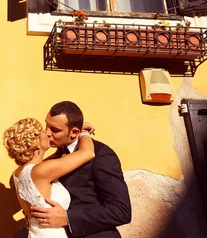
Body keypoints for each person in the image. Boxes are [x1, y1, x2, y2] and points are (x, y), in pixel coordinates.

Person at [30, 101, 131, 237]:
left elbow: (121, 211)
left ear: (74, 132)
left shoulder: (102, 155)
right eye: (47, 125)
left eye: (55, 130)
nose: (47, 133)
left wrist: (68, 218)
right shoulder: (57, 155)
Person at [3, 117, 96, 237]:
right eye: (42, 131)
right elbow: (88, 153)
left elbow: (54, 159)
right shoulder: (41, 171)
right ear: (36, 145)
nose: (47, 133)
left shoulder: (18, 173)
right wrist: (84, 132)